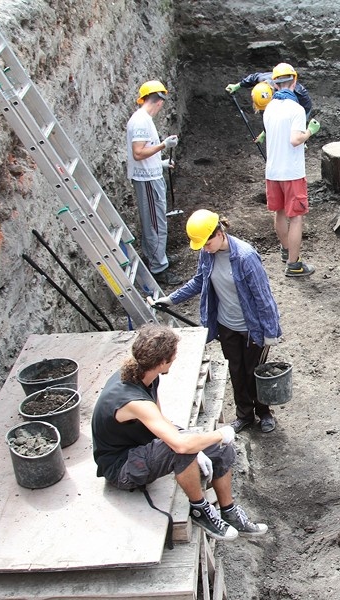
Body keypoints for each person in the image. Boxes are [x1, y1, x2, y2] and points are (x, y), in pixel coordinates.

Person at [91, 323, 268, 541]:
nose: (175, 359)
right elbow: (180, 445)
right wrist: (221, 433)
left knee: (219, 448)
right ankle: (199, 510)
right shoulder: (131, 399)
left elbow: (160, 420)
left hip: (142, 447)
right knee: (181, 449)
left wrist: (207, 444)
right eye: (173, 357)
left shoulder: (147, 376)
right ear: (162, 361)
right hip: (122, 468)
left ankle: (229, 510)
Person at [152, 210, 283, 433]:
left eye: (208, 242)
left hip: (251, 329)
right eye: (202, 245)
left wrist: (270, 331)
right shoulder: (207, 254)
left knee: (254, 373)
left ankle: (263, 412)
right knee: (236, 370)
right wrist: (172, 299)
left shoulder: (245, 257)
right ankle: (244, 415)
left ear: (220, 232)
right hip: (226, 325)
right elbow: (199, 281)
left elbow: (263, 296)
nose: (205, 248)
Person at [261, 63, 321, 276]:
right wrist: (310, 132)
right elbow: (296, 139)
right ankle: (294, 265)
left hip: (273, 171)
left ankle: (286, 251)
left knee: (279, 212)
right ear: (294, 81)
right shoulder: (297, 109)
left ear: (275, 85)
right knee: (295, 217)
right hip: (292, 172)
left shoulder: (269, 108)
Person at [126, 80, 180, 286]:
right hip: (147, 181)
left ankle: (156, 257)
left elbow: (144, 153)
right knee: (156, 224)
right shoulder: (141, 121)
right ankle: (159, 268)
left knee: (155, 222)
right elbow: (138, 153)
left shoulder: (142, 119)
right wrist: (164, 145)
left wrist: (162, 163)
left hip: (150, 176)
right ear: (159, 102)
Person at [225, 68, 314, 117]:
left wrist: (264, 133)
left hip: (304, 106)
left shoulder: (288, 99)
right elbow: (253, 78)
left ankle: (303, 142)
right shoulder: (264, 80)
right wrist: (237, 86)